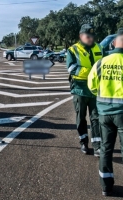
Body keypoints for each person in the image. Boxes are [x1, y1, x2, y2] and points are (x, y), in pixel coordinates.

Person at [88, 28, 123, 196]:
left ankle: (106, 186)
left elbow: (92, 86)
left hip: (104, 113)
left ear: (114, 42)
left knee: (106, 149)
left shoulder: (101, 62)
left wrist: (102, 98)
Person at [66, 24, 104, 156]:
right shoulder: (73, 50)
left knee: (96, 118)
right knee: (81, 118)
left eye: (92, 36)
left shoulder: (99, 47)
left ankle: (97, 146)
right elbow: (72, 68)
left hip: (95, 90)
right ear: (80, 36)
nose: (90, 38)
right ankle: (83, 142)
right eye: (88, 36)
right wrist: (93, 72)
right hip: (80, 90)